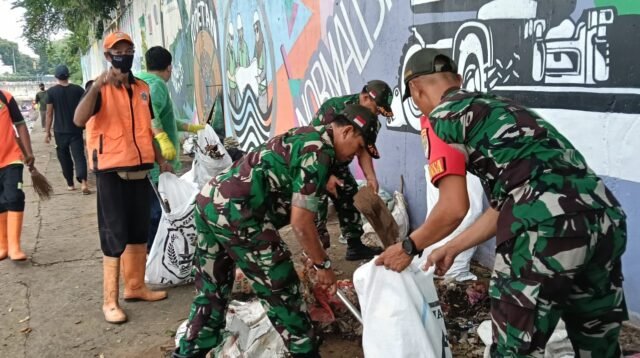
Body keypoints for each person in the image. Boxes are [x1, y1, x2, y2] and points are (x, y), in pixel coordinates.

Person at [375, 48, 627, 357]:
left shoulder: (442, 118)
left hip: (545, 230)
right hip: (604, 217)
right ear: (459, 79)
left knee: (513, 350)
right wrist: (453, 247)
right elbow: (508, 202)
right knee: (598, 344)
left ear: (415, 89)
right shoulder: (504, 109)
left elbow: (453, 207)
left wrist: (408, 247)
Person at [174, 104, 381, 358]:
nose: (354, 156)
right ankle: (305, 351)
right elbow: (301, 224)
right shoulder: (319, 153)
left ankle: (187, 354)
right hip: (240, 214)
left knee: (211, 293)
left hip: (210, 202)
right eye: (359, 147)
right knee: (283, 289)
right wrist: (323, 265)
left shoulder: (309, 135)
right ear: (347, 131)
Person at [73, 31, 171, 324]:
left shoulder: (142, 88)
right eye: (118, 50)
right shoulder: (97, 88)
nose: (124, 54)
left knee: (138, 230)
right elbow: (78, 119)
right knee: (114, 234)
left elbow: (148, 126)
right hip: (111, 172)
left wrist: (162, 159)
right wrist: (97, 86)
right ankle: (109, 301)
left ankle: (136, 287)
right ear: (108, 56)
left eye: (128, 49)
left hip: (141, 170)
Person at [310, 80, 394, 261]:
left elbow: (364, 148)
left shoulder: (372, 122)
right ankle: (316, 256)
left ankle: (355, 246)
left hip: (339, 165)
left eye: (380, 111)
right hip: (317, 161)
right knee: (318, 205)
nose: (377, 114)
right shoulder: (334, 107)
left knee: (350, 194)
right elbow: (313, 140)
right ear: (365, 97)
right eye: (376, 108)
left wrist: (370, 177)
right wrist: (325, 174)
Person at [137, 46, 204, 251]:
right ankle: (156, 249)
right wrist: (163, 145)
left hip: (146, 158)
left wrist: (189, 127)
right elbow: (150, 116)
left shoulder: (141, 81)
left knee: (154, 206)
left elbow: (165, 117)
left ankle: (153, 248)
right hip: (158, 161)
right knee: (159, 208)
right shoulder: (156, 85)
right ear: (169, 68)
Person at [0, 89, 35, 261]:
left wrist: (28, 152)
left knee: (13, 197)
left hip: (11, 158)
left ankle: (15, 247)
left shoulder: (5, 97)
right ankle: (3, 245)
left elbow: (20, 123)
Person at [45, 65, 90, 194]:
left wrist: (47, 132)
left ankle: (70, 184)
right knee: (79, 155)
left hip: (59, 131)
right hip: (76, 129)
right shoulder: (78, 90)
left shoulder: (52, 92)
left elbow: (49, 113)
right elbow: (86, 107)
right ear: (68, 75)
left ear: (56, 77)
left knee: (64, 157)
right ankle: (84, 183)